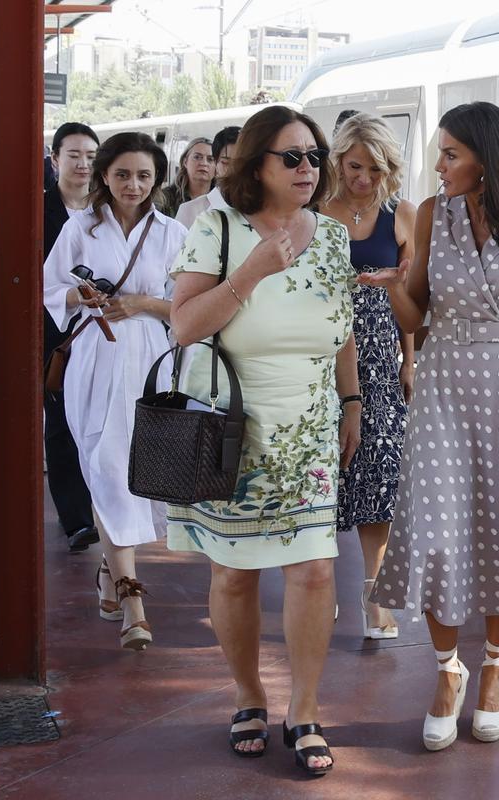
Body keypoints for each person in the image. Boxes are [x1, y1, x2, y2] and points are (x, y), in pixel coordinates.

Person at [364, 101, 499, 750]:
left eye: (450, 154)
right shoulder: (432, 215)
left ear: (487, 157)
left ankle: (492, 674)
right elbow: (416, 310)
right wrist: (393, 283)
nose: (440, 166)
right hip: (443, 387)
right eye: (440, 155)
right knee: (432, 529)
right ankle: (448, 671)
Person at [166, 105, 359, 777]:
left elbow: (344, 330)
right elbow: (184, 327)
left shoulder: (332, 238)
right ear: (257, 165)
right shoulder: (215, 229)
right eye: (292, 157)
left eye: (314, 157)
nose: (308, 168)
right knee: (235, 573)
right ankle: (249, 694)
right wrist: (251, 273)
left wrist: (352, 401)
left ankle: (304, 708)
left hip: (309, 427)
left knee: (315, 570)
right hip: (233, 430)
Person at [42, 132, 188, 649]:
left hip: (150, 360)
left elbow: (188, 305)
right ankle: (132, 598)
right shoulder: (80, 228)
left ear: (157, 180)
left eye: (144, 176)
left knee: (136, 468)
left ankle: (109, 568)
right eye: (123, 174)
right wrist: (79, 295)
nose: (133, 184)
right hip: (94, 357)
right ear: (105, 174)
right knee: (102, 465)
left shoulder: (172, 233)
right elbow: (49, 287)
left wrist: (144, 304)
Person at [317, 113, 416, 640]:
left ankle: (375, 591)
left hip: (379, 356)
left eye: (375, 170)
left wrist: (410, 359)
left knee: (378, 472)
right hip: (319, 349)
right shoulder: (315, 212)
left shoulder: (401, 215)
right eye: (355, 167)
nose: (364, 179)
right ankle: (321, 586)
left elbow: (411, 301)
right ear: (338, 162)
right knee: (323, 467)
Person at [43, 122, 100, 553]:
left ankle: (105, 510)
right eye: (74, 155)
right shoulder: (38, 208)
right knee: (61, 422)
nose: (83, 164)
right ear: (55, 157)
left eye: (91, 156)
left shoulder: (107, 210)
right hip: (53, 331)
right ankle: (77, 520)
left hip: (104, 331)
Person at [175, 126, 240, 229]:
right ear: (216, 164)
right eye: (225, 162)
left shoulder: (259, 210)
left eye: (241, 162)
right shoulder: (190, 211)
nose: (234, 169)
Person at [163, 137, 214, 217]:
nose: (204, 163)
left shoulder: (223, 200)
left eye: (210, 159)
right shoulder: (165, 199)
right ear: (185, 162)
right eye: (197, 157)